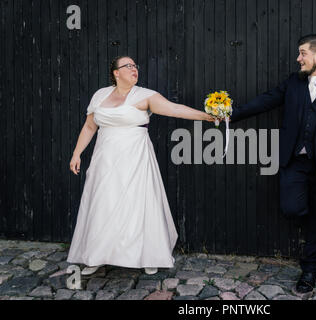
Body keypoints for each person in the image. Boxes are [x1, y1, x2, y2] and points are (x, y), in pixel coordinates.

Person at [230, 34, 316, 296]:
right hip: (294, 160)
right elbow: (265, 100)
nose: (298, 58)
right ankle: (310, 224)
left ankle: (310, 269)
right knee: (292, 208)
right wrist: (229, 114)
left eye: (303, 53)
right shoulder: (293, 82)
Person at [67, 56, 215, 276]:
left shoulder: (145, 96)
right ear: (116, 73)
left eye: (135, 66)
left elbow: (175, 109)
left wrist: (206, 116)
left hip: (135, 158)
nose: (134, 69)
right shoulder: (99, 95)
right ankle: (96, 255)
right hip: (104, 160)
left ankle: (149, 254)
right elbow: (90, 126)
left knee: (140, 204)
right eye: (128, 66)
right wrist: (77, 153)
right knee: (102, 204)